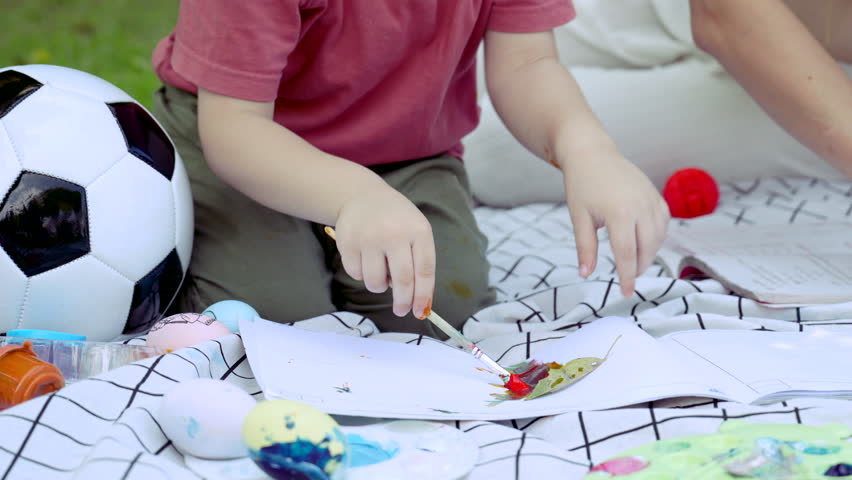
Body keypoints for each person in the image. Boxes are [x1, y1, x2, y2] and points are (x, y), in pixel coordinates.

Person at [150, 0, 669, 337]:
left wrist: (587, 150)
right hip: (247, 141)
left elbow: (527, 64)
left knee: (438, 317)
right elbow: (235, 130)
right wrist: (355, 196)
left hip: (405, 149)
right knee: (274, 321)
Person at [466, 0, 852, 207]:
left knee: (492, 151)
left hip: (826, 73)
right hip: (667, 11)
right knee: (468, 75)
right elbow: (721, 15)